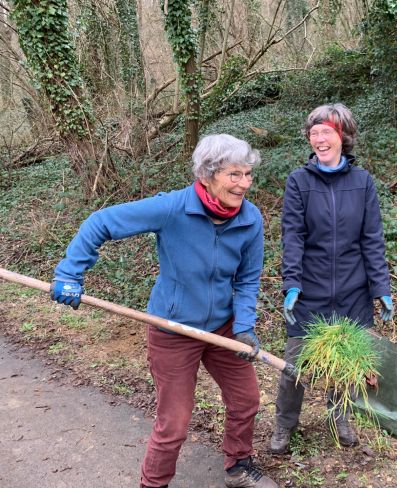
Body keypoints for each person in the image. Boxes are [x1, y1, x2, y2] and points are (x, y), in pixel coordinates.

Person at [50, 134, 278, 488]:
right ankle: (153, 484)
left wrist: (245, 325)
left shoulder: (250, 219)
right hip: (172, 330)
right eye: (234, 175)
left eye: (248, 174)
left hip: (223, 328)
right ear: (207, 174)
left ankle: (238, 465)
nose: (244, 184)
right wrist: (69, 273)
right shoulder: (173, 208)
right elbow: (101, 223)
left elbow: (247, 281)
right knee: (173, 424)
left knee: (246, 399)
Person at [270, 103, 394, 455]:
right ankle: (284, 424)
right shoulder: (299, 182)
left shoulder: (363, 182)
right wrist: (291, 283)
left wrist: (381, 288)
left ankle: (339, 417)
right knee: (294, 364)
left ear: (344, 137)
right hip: (310, 291)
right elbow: (292, 236)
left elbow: (372, 239)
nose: (319, 138)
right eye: (314, 133)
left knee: (347, 360)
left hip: (353, 291)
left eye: (327, 131)